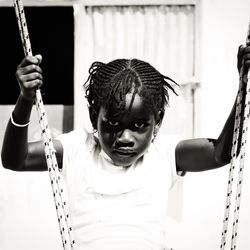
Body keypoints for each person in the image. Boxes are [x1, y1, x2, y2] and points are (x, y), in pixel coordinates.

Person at [1, 44, 250, 250]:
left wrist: (244, 88)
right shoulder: (77, 148)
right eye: (113, 123)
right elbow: (16, 160)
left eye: (139, 125)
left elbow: (220, 153)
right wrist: (25, 99)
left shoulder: (164, 153)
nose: (125, 137)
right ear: (93, 117)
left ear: (158, 121)